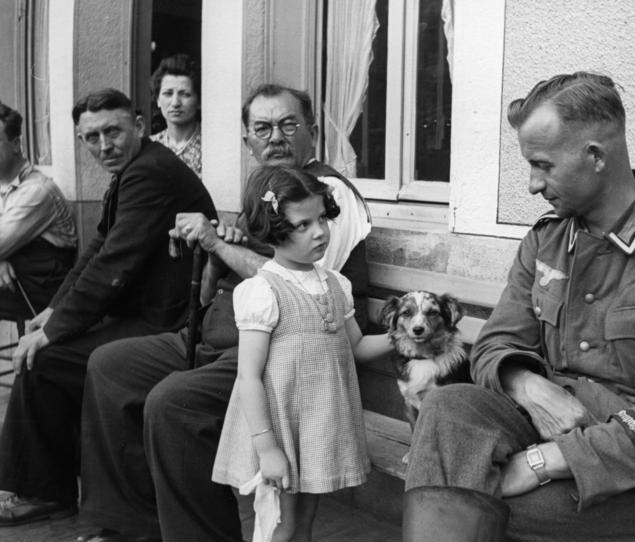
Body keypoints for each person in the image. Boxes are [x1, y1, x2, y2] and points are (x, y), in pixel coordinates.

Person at [402, 72, 635, 542]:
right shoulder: (546, 239)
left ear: (595, 156)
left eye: (542, 165)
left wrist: (540, 463)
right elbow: (496, 344)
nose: (533, 185)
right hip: (538, 424)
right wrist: (530, 386)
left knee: (475, 507)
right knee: (447, 408)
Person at [77, 83, 372, 542]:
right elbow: (225, 288)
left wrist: (218, 243)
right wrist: (217, 258)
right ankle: (137, 521)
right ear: (247, 140)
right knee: (111, 364)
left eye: (288, 124)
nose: (275, 137)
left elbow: (304, 289)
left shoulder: (323, 191)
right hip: (230, 333)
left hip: (289, 348)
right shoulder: (266, 189)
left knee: (174, 403)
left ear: (312, 131)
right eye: (262, 128)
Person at [0, 88, 216, 526]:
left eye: (113, 131)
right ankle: (47, 486)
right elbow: (98, 249)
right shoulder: (135, 168)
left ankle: (45, 492)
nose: (103, 146)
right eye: (91, 137)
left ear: (138, 125)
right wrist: (53, 313)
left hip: (172, 322)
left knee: (44, 359)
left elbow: (114, 264)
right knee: (45, 352)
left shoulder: (149, 172)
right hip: (149, 312)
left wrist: (53, 331)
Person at [212, 165, 390, 542]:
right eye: (303, 224)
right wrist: (267, 447)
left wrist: (405, 338)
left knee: (305, 524)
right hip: (278, 429)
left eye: (323, 218)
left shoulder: (335, 284)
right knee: (279, 525)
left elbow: (355, 346)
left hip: (316, 429)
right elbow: (248, 376)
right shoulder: (264, 291)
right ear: (275, 230)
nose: (320, 231)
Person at [0, 102, 77, 319]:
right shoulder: (4, 184)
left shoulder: (37, 190)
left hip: (42, 291)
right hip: (16, 282)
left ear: (16, 144)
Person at [150, 54, 202, 178]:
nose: (175, 103)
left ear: (199, 101)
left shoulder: (212, 145)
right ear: (158, 99)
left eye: (184, 94)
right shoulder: (150, 146)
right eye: (168, 94)